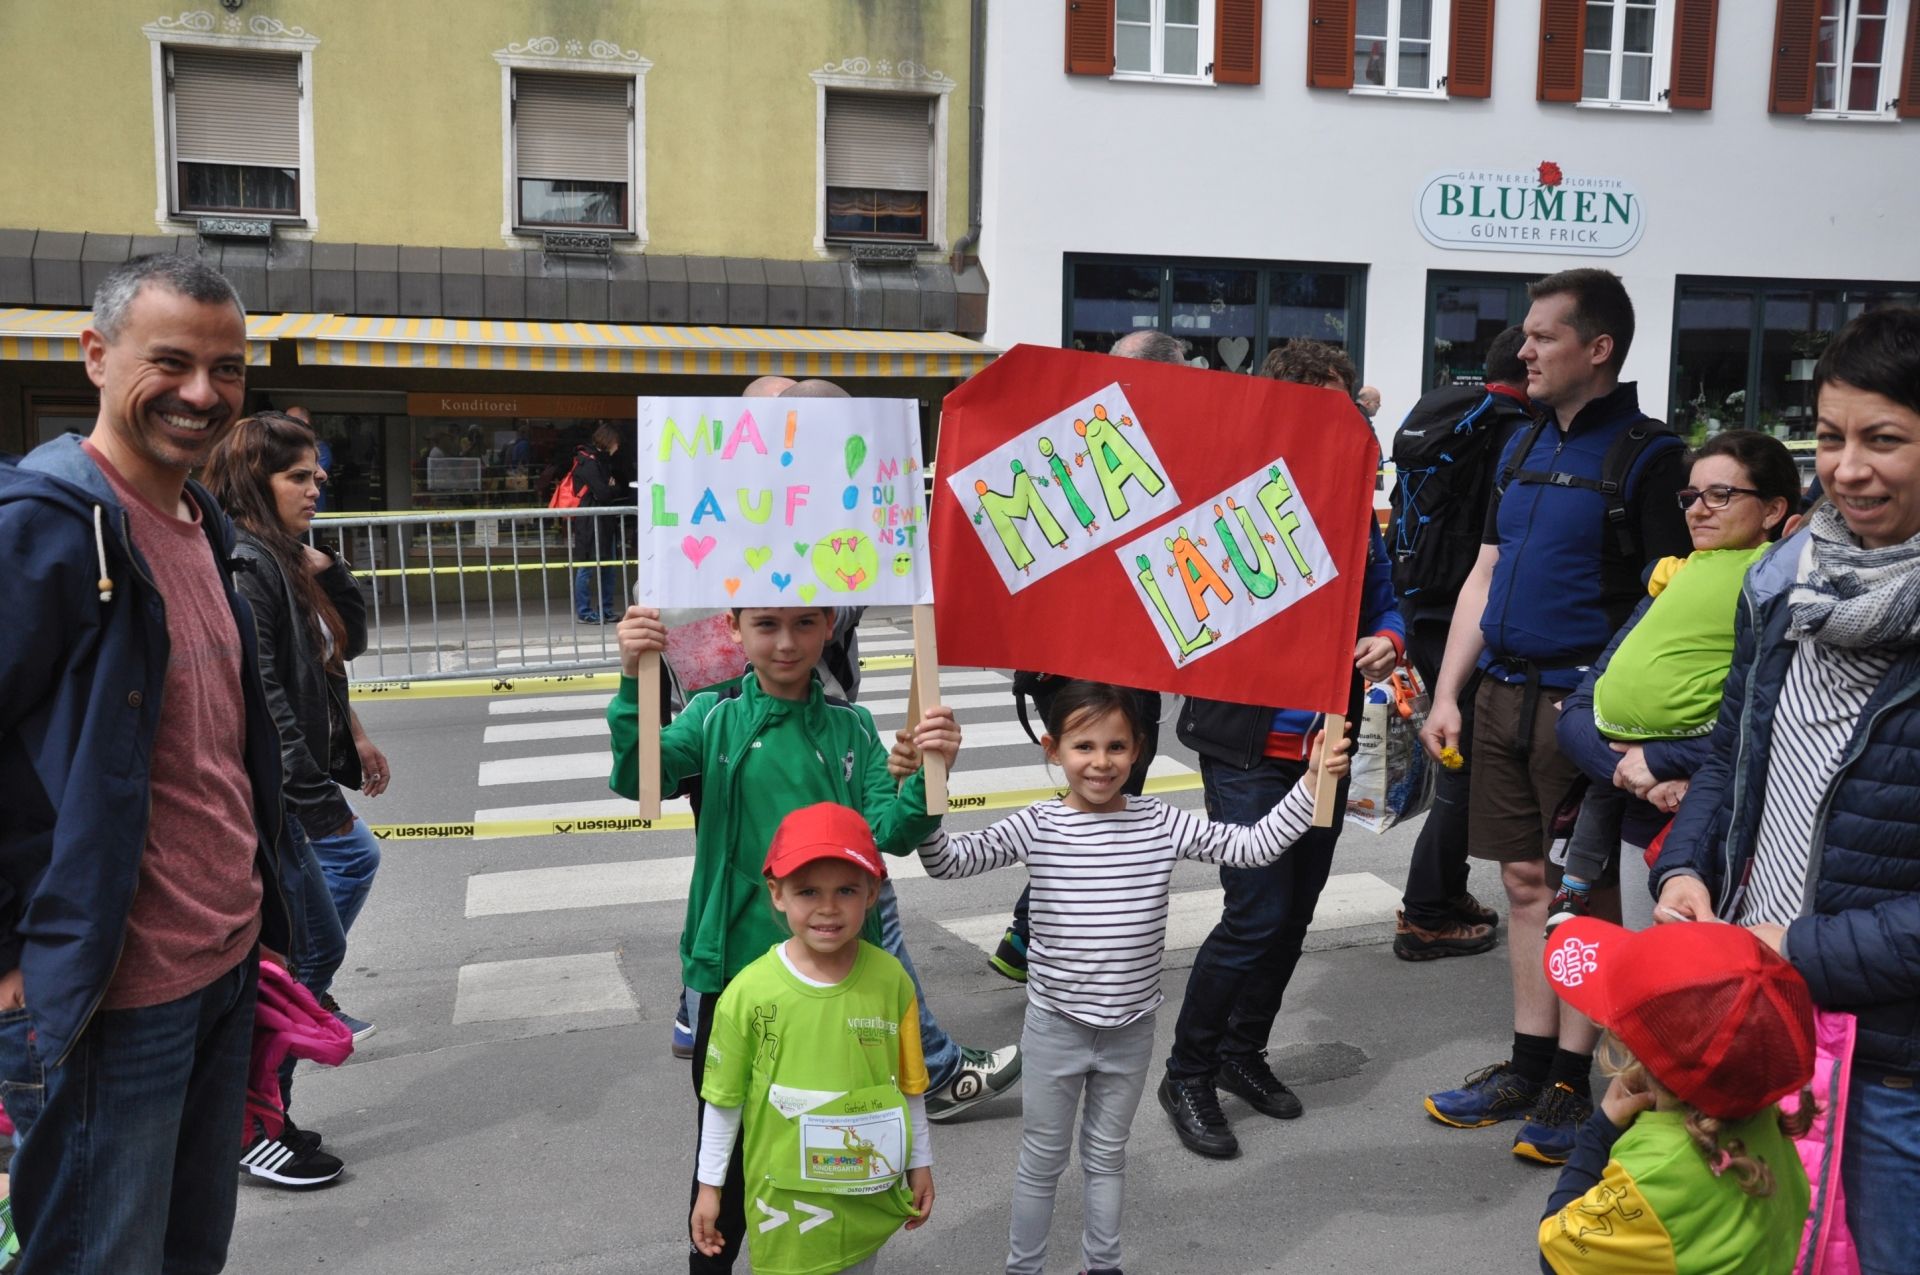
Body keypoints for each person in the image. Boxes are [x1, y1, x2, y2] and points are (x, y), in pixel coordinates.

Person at [0, 253, 300, 1272]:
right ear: (95, 355)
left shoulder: (203, 524)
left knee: (186, 1254)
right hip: (106, 996)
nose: (202, 393)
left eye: (228, 369)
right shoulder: (42, 529)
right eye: (170, 361)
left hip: (219, 968)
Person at [1651, 306, 1920, 1274]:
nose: (1847, 469)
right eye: (1832, 437)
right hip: (1761, 1018)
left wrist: (1791, 946)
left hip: (1893, 1065)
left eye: (1883, 439)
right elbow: (1733, 754)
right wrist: (1687, 868)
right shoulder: (1784, 580)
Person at [917, 681, 1349, 1272]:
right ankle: (1024, 1267)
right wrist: (930, 781)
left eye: (1116, 746)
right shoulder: (1037, 825)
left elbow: (1253, 847)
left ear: (1139, 749)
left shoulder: (1160, 821)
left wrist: (1313, 779)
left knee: (1106, 1157)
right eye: (1084, 746)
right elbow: (946, 861)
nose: (1101, 762)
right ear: (1053, 749)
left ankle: (1103, 1264)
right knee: (1042, 1162)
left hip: (1131, 1031)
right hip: (1055, 1029)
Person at [605, 603, 972, 1273]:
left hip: (837, 982)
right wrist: (634, 680)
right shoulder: (713, 717)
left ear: (829, 627)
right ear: (734, 627)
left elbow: (890, 832)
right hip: (733, 980)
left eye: (804, 623)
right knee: (726, 1155)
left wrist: (931, 771)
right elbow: (641, 778)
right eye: (766, 624)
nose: (785, 642)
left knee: (834, 1134)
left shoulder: (852, 728)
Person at [1419, 268, 1691, 1166]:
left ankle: (1576, 1081)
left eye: (1543, 336)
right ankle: (1528, 1065)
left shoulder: (1653, 457)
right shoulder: (1522, 442)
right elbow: (1486, 573)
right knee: (1523, 883)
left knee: (1585, 894)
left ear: (1598, 348)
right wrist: (1449, 692)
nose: (1524, 350)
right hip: (1500, 693)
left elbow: (1672, 606)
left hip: (1583, 712)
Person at [1158, 338, 1403, 1159]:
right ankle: (1188, 1073)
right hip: (1247, 747)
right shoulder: (1229, 499)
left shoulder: (1350, 503)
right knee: (1257, 913)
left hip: (1324, 746)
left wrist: (1389, 639)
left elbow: (1385, 598)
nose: (1344, 422)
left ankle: (1241, 1051)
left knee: (1294, 911)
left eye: (1347, 408)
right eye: (1325, 408)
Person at [983, 325, 1177, 984]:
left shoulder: (1099, 435)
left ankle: (1033, 933)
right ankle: (1042, 935)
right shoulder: (1102, 439)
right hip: (1088, 661)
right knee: (1105, 791)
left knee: (1098, 791)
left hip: (1096, 656)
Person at [1549, 430, 1801, 924]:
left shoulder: (1780, 590)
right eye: (1691, 496)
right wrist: (1634, 773)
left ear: (1773, 511)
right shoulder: (1677, 579)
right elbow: (1577, 709)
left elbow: (1777, 728)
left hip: (1731, 828)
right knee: (1646, 955)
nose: (1697, 510)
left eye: (1720, 495)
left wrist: (1661, 759)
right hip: (1643, 818)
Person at [691, 803, 935, 1275]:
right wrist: (709, 1187)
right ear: (777, 893)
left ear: (872, 892)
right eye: (808, 891)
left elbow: (910, 1087)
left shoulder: (892, 981)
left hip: (864, 1194)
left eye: (846, 889)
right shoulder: (747, 993)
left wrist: (919, 1163)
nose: (828, 907)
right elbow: (723, 1102)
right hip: (784, 1206)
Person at [1537, 917, 1814, 1274]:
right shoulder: (1764, 1112)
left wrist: (1600, 1130)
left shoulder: (1654, 1171)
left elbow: (1556, 1254)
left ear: (1635, 1050)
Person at [1390, 324, 1534, 960]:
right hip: (1464, 614)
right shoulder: (1514, 432)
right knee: (1462, 768)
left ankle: (1447, 893)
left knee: (1455, 756)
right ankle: (1425, 915)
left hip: (1421, 604)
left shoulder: (1450, 417)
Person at [567, 422, 627, 624]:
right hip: (590, 524)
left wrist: (610, 488)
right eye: (616, 442)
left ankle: (605, 609)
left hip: (602, 523)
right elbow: (603, 493)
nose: (618, 446)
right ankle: (585, 612)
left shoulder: (595, 460)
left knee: (608, 567)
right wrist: (612, 488)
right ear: (609, 441)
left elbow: (604, 491)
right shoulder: (588, 462)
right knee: (587, 567)